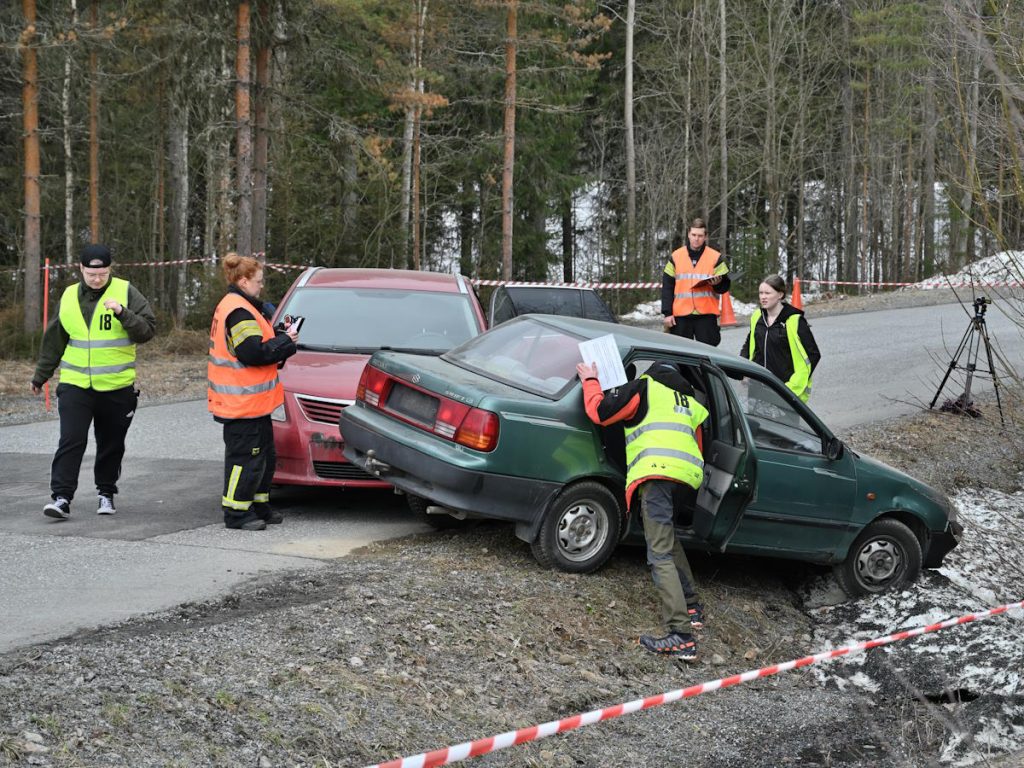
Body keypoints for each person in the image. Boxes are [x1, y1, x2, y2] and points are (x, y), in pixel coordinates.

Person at [576, 360, 708, 662]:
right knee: (667, 538)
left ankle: (682, 636)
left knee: (658, 552)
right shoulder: (691, 402)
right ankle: (691, 606)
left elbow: (599, 412)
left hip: (656, 475)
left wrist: (591, 379)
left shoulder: (644, 388)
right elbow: (696, 444)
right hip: (685, 478)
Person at [31, 243, 157, 520]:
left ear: (110, 270)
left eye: (102, 274)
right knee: (71, 439)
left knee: (111, 443)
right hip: (75, 385)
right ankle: (61, 498)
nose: (97, 279)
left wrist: (124, 313)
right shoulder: (67, 296)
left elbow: (147, 331)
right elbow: (55, 339)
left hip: (116, 387)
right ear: (81, 270)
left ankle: (106, 493)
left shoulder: (125, 291)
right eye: (91, 274)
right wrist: (41, 375)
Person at [208, 253, 298, 531]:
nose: (261, 286)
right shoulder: (238, 310)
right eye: (258, 281)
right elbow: (252, 352)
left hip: (252, 403)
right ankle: (236, 513)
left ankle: (259, 505)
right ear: (244, 281)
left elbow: (256, 344)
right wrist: (285, 342)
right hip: (240, 402)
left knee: (264, 457)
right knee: (244, 460)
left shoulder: (243, 306)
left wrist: (279, 337)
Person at [740, 274, 821, 402]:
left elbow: (813, 355)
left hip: (784, 390)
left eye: (768, 293)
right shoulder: (757, 317)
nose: (763, 297)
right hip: (757, 388)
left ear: (780, 295)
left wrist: (792, 386)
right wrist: (743, 370)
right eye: (761, 293)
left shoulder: (794, 321)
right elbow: (749, 344)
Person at [661, 217, 731, 346]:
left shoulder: (715, 257)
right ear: (688, 234)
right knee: (681, 355)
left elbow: (725, 286)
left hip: (706, 314)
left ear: (705, 236)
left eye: (700, 235)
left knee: (709, 354)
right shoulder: (676, 256)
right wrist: (667, 313)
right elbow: (667, 287)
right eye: (693, 235)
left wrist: (717, 284)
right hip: (681, 315)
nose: (696, 238)